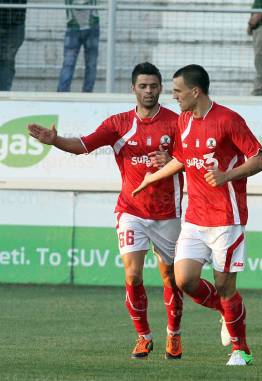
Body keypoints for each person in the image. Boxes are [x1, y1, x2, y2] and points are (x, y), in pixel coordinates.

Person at [28, 62, 187, 359]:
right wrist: (55, 141)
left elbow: (192, 158)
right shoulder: (118, 123)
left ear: (161, 88)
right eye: (143, 86)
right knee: (133, 274)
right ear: (133, 89)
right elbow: (84, 145)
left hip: (168, 213)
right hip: (131, 211)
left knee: (171, 278)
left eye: (153, 86)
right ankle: (143, 335)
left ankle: (174, 334)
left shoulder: (177, 123)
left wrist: (172, 159)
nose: (149, 91)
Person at [132, 64, 262, 366]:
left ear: (195, 91)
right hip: (194, 218)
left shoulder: (228, 120)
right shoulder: (183, 120)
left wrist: (226, 176)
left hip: (226, 219)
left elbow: (260, 159)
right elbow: (182, 158)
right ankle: (225, 312)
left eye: (178, 91)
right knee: (185, 280)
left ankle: (240, 349)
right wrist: (152, 178)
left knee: (225, 286)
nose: (173, 96)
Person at [57, 0, 99, 92]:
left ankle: (63, 93)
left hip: (85, 26)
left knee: (71, 63)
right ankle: (63, 93)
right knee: (88, 64)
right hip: (77, 26)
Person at [0, 0, 26, 91]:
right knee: (7, 61)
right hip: (15, 21)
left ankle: (4, 92)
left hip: (15, 23)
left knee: (7, 61)